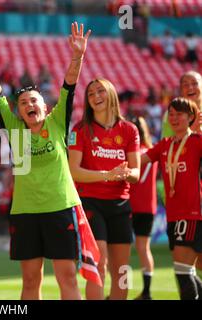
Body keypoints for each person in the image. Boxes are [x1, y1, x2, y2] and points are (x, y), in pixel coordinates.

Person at [0, 23, 96, 300]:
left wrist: (77, 57)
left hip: (60, 209)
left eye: (34, 100)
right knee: (31, 281)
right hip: (26, 214)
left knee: (67, 278)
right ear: (18, 111)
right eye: (23, 103)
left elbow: (69, 84)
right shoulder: (14, 129)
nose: (29, 105)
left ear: (45, 107)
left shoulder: (56, 122)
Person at [68, 78, 141, 300]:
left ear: (111, 94)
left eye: (101, 91)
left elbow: (136, 174)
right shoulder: (80, 129)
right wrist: (106, 175)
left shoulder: (129, 130)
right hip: (91, 203)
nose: (96, 96)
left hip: (120, 204)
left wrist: (125, 173)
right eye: (91, 94)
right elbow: (74, 171)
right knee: (97, 266)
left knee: (122, 270)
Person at [141, 97, 202, 300]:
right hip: (173, 215)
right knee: (187, 270)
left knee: (182, 271)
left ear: (191, 117)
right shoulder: (165, 144)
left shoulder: (196, 141)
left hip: (192, 212)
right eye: (171, 114)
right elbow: (139, 160)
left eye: (180, 114)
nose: (174, 118)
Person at [129, 116, 158, 300]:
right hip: (148, 206)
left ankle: (119, 290)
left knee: (120, 249)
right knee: (144, 248)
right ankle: (146, 291)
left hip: (130, 205)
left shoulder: (132, 153)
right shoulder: (152, 152)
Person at [162, 71, 202, 138]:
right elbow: (167, 146)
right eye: (185, 85)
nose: (190, 88)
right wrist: (192, 131)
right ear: (181, 90)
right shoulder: (172, 114)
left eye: (195, 83)